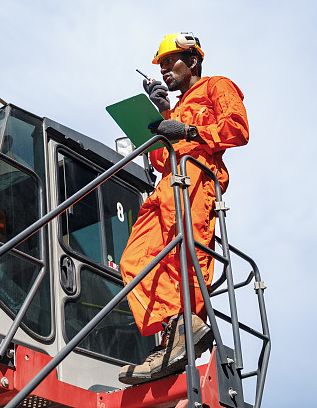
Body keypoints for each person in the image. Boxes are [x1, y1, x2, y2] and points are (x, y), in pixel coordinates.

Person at [118, 32, 249, 384]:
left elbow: (237, 128)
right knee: (134, 261)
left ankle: (181, 332)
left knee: (187, 257)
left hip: (195, 180)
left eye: (169, 63)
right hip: (167, 185)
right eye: (160, 66)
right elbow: (161, 158)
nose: (163, 71)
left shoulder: (216, 86)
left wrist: (188, 129)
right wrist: (160, 115)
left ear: (192, 61)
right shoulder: (173, 107)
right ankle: (179, 329)